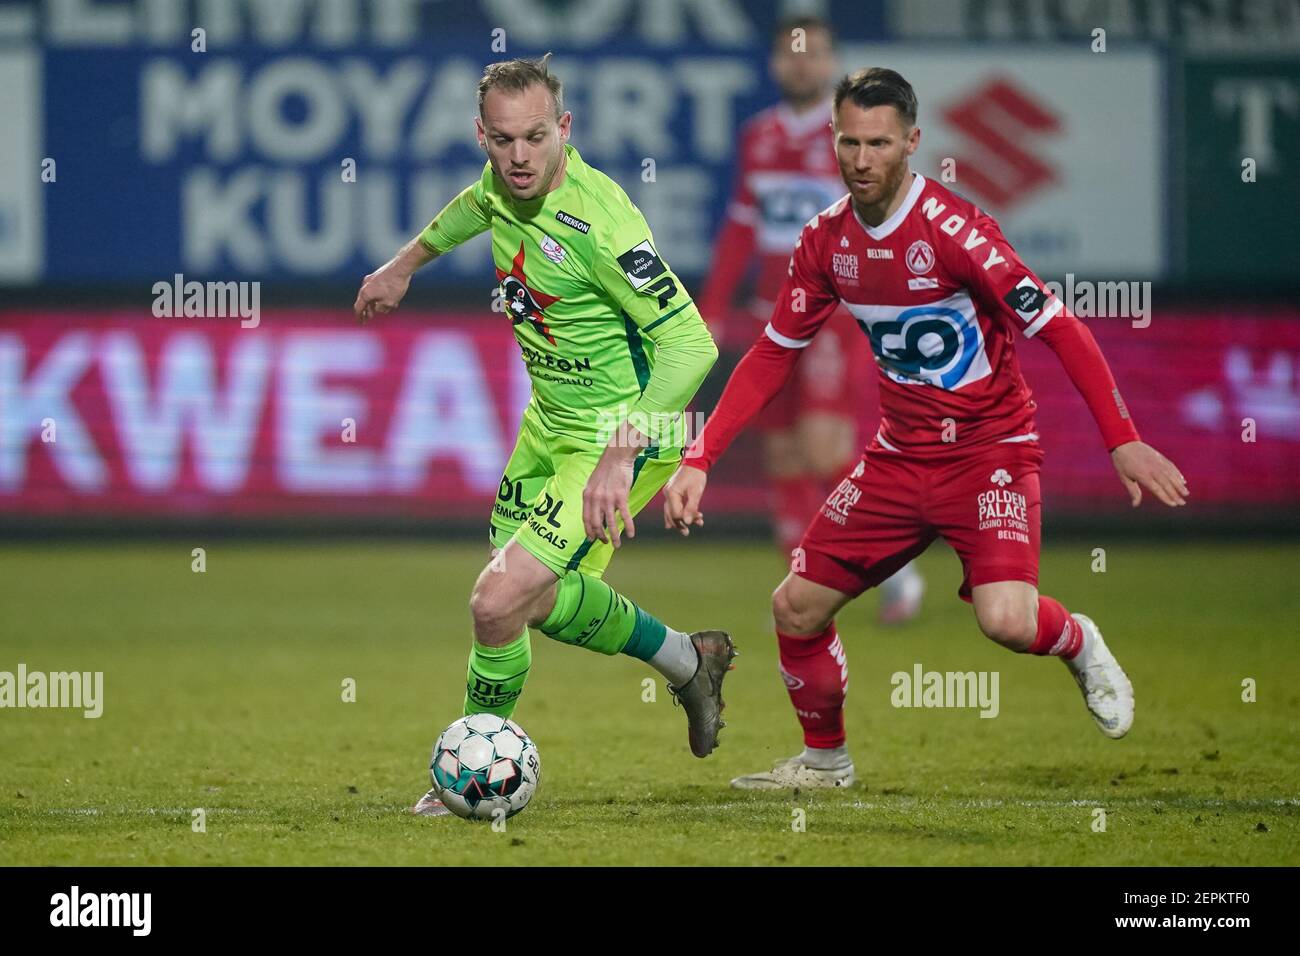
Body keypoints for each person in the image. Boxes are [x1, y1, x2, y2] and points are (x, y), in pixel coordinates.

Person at [665, 68, 1188, 790]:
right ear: (833, 140)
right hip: (898, 460)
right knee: (796, 606)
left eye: (879, 143)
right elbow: (772, 353)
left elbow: (1060, 327)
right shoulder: (825, 242)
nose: (861, 159)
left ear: (912, 142)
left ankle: (1077, 640)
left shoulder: (957, 232)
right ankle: (826, 762)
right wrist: (700, 456)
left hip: (990, 455)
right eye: (849, 142)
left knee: (1007, 622)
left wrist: (1121, 438)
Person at [355, 55, 735, 816]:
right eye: (502, 141)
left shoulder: (604, 225)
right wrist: (404, 264)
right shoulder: (502, 184)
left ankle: (466, 772)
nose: (519, 157)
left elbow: (692, 345)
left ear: (565, 128)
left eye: (535, 137)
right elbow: (475, 205)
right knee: (531, 603)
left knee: (496, 602)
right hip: (548, 426)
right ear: (483, 137)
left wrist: (619, 455)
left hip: (618, 438)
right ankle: (687, 659)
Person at [700, 15, 924, 624]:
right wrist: (713, 309)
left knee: (825, 449)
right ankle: (808, 587)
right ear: (776, 63)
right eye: (791, 54)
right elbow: (741, 227)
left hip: (831, 312)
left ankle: (897, 562)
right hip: (769, 315)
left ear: (831, 62)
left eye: (814, 53)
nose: (802, 64)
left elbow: (890, 223)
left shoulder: (853, 140)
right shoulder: (758, 136)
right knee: (782, 457)